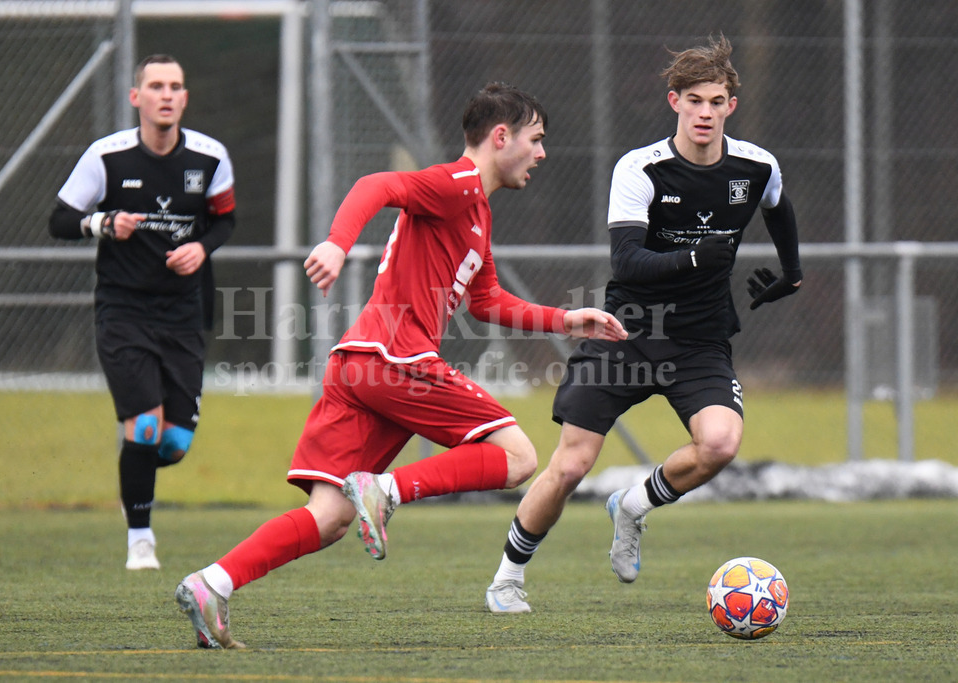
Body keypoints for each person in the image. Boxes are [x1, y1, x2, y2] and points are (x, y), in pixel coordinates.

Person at [174, 82, 626, 649]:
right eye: (535, 140)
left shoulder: (477, 213)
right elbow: (377, 184)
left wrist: (564, 320)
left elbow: (486, 302)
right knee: (518, 457)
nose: (541, 153)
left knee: (332, 515)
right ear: (501, 136)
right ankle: (385, 492)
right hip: (394, 356)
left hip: (358, 366)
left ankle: (212, 583)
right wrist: (339, 243)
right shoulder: (457, 183)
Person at [485, 35, 802, 613]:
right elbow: (628, 261)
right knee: (572, 464)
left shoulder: (756, 165)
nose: (705, 112)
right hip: (625, 333)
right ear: (674, 101)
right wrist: (694, 258)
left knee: (721, 442)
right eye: (694, 100)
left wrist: (793, 272)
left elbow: (777, 205)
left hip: (701, 339)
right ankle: (507, 576)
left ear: (732, 104)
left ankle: (633, 504)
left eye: (716, 101)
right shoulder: (640, 168)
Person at [48, 54, 235, 571]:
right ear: (137, 97)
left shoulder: (210, 157)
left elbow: (225, 221)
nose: (166, 94)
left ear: (185, 98)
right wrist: (103, 224)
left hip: (184, 313)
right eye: (156, 86)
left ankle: (136, 468)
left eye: (175, 85)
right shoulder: (106, 157)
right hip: (124, 310)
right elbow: (60, 220)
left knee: (172, 444)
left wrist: (203, 248)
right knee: (146, 427)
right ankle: (140, 539)